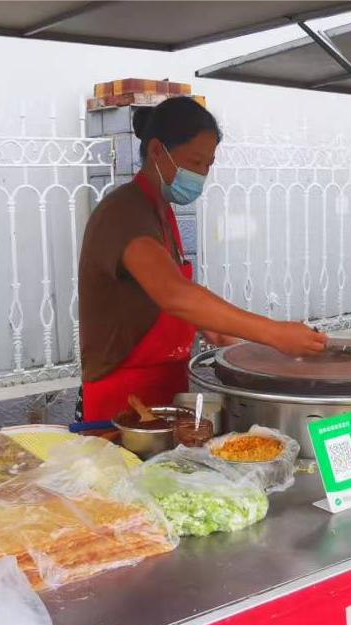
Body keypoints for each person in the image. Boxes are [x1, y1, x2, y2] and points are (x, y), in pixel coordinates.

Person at [77, 97, 327, 421]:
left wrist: (248, 353)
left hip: (165, 390)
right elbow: (176, 295)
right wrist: (274, 333)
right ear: (156, 151)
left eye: (208, 165)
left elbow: (190, 309)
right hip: (121, 404)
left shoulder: (162, 213)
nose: (201, 174)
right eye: (195, 162)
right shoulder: (124, 214)